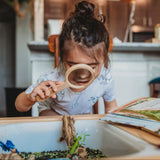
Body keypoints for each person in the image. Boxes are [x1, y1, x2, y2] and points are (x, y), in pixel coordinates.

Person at [15, 1, 117, 116]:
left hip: (81, 117)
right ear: (62, 58)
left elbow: (111, 108)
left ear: (104, 59)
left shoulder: (105, 79)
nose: (82, 75)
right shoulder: (53, 79)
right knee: (50, 117)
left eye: (92, 67)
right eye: (73, 66)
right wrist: (30, 98)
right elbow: (19, 106)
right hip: (53, 113)